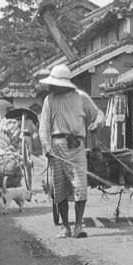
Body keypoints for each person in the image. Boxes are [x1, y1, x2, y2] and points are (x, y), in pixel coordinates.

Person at [38, 64, 103, 238]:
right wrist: (46, 146)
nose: (52, 87)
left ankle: (78, 226)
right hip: (57, 146)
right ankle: (66, 226)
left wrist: (96, 123)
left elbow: (99, 114)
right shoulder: (49, 100)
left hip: (77, 146)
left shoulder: (81, 97)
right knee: (59, 188)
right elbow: (43, 126)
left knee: (80, 186)